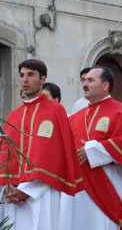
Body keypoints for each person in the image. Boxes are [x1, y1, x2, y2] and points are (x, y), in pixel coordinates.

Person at [0, 59, 83, 230]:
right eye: (22, 75)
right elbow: (4, 155)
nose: (25, 79)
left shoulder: (55, 111)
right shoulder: (13, 116)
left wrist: (28, 190)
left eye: (31, 75)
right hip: (11, 195)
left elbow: (55, 154)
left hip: (43, 192)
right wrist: (7, 187)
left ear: (43, 79)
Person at [68, 66, 122, 230]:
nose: (85, 84)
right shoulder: (77, 116)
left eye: (90, 80)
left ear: (105, 85)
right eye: (84, 80)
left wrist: (92, 151)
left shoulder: (120, 111)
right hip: (82, 184)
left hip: (110, 181)